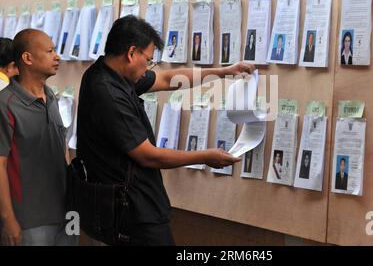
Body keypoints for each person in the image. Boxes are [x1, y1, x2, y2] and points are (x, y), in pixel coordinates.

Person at [76, 15, 254, 246]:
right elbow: (148, 156)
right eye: (148, 60)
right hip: (130, 211)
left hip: (134, 204)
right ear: (131, 53)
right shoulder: (107, 93)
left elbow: (168, 78)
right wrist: (205, 156)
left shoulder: (110, 72)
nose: (149, 67)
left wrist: (224, 72)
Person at [0, 29, 76, 246]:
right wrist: (9, 219)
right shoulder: (5, 104)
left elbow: (60, 145)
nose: (57, 56)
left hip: (68, 213)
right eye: (50, 50)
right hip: (30, 220)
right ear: (27, 58)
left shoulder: (50, 95)